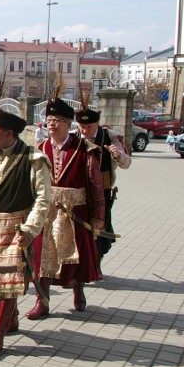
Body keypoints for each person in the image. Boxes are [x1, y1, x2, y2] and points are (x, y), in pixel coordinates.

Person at [0, 101, 52, 358]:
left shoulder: (33, 159)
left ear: (9, 133)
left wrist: (31, 229)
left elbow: (43, 199)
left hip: (16, 229)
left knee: (8, 281)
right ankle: (10, 319)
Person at [26, 97, 105, 319]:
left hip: (75, 212)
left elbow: (96, 186)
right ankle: (42, 301)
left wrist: (98, 216)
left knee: (75, 257)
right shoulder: (39, 149)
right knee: (41, 257)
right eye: (49, 119)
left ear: (69, 124)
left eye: (58, 120)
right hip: (45, 212)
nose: (52, 124)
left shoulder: (86, 149)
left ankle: (78, 289)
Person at [75, 106, 131, 270]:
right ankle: (79, 266)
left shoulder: (111, 137)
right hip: (79, 191)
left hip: (102, 192)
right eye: (82, 127)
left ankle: (96, 261)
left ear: (97, 124)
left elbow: (127, 163)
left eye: (89, 127)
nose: (85, 131)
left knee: (100, 229)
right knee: (79, 228)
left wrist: (117, 155)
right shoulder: (73, 137)